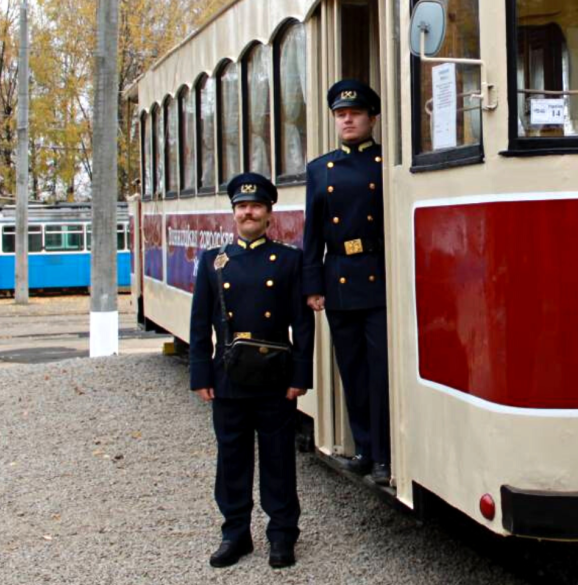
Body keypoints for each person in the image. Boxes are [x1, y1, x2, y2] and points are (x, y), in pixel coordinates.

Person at [189, 173, 313, 569]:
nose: (248, 212)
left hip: (275, 376)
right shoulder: (213, 262)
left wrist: (300, 376)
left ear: (268, 214)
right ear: (233, 214)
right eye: (242, 207)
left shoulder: (289, 260)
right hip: (228, 375)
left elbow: (302, 324)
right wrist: (200, 375)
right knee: (232, 459)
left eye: (256, 206)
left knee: (278, 459)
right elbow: (199, 325)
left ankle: (281, 535)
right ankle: (235, 533)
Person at [302, 79, 390, 485]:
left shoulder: (387, 164)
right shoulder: (320, 170)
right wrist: (313, 285)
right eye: (340, 114)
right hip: (339, 278)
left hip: (379, 274)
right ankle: (365, 448)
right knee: (351, 369)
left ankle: (387, 453)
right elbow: (313, 235)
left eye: (354, 113)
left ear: (372, 118)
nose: (348, 119)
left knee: (381, 370)